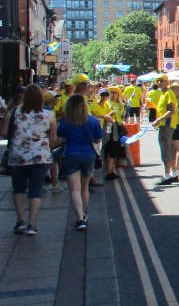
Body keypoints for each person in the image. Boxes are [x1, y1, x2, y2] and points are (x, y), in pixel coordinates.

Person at [2, 84, 57, 235]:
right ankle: (32, 224)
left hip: (18, 157)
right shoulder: (49, 115)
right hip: (40, 157)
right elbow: (53, 140)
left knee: (19, 188)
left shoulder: (13, 113)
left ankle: (20, 221)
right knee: (36, 188)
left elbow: (4, 133)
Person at [57, 94, 103, 232]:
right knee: (84, 187)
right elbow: (98, 139)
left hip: (71, 155)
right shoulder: (93, 121)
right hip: (88, 156)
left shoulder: (65, 121)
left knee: (74, 189)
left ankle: (80, 219)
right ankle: (84, 213)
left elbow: (59, 139)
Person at [152, 76, 179, 185]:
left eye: (162, 81)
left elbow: (172, 110)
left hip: (166, 124)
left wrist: (159, 120)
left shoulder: (168, 93)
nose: (159, 83)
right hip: (165, 124)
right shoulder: (163, 93)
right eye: (158, 81)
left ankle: (167, 175)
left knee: (165, 149)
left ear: (167, 82)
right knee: (169, 148)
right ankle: (173, 173)